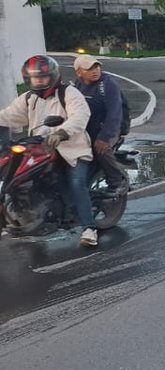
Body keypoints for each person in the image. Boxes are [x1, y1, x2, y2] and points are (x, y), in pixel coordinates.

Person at [0, 55, 96, 247]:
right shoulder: (29, 98)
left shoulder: (68, 93)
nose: (39, 81)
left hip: (71, 147)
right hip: (41, 147)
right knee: (19, 177)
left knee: (76, 182)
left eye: (43, 78)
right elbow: (8, 116)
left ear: (52, 76)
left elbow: (80, 115)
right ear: (29, 79)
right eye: (35, 78)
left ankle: (89, 228)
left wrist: (62, 132)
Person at [72, 55, 129, 195]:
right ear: (79, 72)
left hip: (111, 127)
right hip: (89, 126)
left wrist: (105, 137)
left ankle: (117, 180)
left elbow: (115, 113)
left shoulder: (108, 84)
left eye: (97, 67)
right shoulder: (77, 85)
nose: (95, 70)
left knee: (100, 149)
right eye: (89, 68)